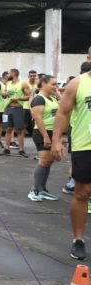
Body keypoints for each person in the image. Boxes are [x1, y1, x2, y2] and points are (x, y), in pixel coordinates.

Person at [52, 65, 91, 261]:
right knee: (82, 193)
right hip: (85, 145)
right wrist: (56, 139)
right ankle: (78, 239)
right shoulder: (77, 83)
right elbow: (63, 113)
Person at [29, 75, 60, 202]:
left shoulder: (52, 98)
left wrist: (57, 93)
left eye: (56, 84)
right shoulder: (39, 99)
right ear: (43, 84)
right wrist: (46, 137)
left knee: (49, 162)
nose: (55, 86)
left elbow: (66, 107)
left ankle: (42, 189)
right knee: (43, 161)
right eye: (53, 84)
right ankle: (34, 190)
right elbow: (38, 118)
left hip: (52, 132)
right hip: (42, 132)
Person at [0, 69, 31, 158]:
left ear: (13, 74)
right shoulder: (8, 83)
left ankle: (21, 150)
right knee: (8, 129)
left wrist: (18, 99)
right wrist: (4, 94)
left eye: (9, 73)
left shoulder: (23, 84)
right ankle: (7, 149)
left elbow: (29, 96)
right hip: (8, 108)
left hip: (18, 109)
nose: (7, 75)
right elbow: (3, 94)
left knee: (19, 130)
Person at [0, 72, 9, 149]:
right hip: (0, 109)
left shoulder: (9, 85)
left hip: (8, 109)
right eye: (8, 76)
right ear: (5, 77)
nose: (9, 78)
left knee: (9, 126)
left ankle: (9, 142)